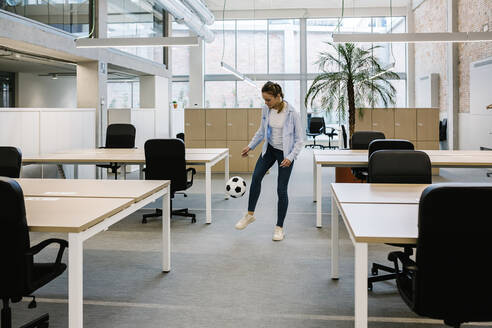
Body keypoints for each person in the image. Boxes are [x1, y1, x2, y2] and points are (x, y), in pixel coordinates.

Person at [235, 81, 303, 241]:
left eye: (268, 100)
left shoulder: (292, 113)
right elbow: (262, 131)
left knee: (281, 189)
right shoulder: (266, 109)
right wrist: (250, 146)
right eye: (264, 100)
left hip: (285, 154)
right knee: (256, 177)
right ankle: (249, 215)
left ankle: (279, 228)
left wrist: (290, 157)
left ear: (278, 96)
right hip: (270, 150)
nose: (266, 103)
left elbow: (300, 140)